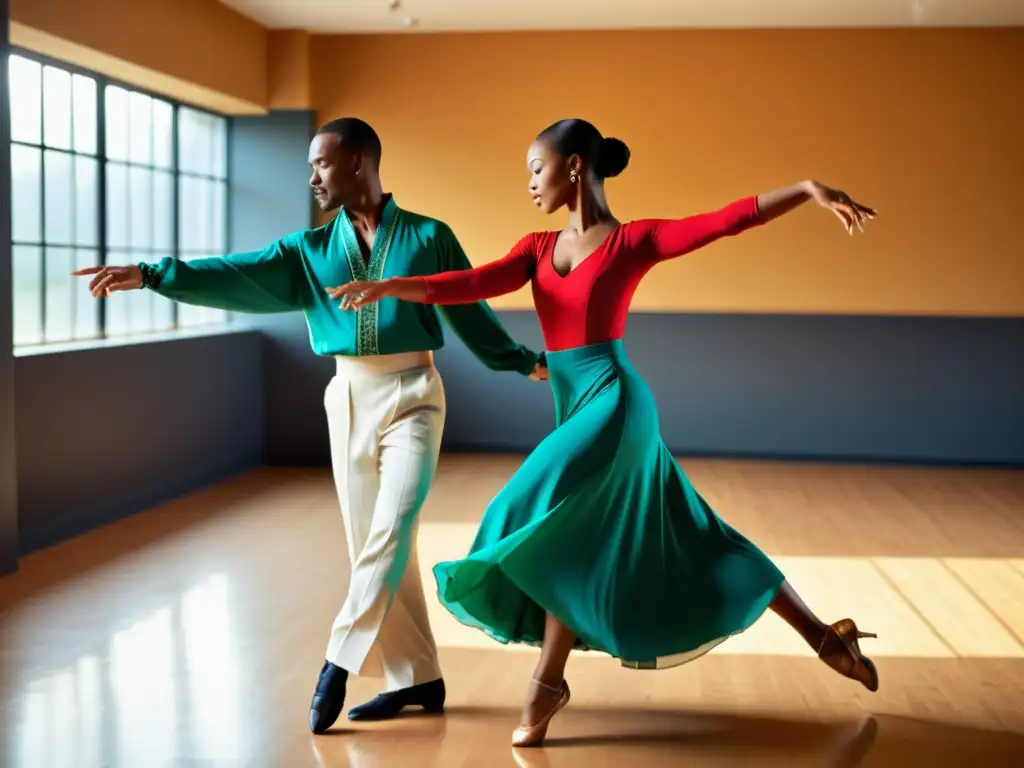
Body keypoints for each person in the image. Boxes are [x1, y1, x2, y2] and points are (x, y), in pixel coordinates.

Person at [328, 118, 880, 748]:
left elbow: (724, 219)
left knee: (533, 508)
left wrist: (807, 188)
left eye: (536, 168)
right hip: (574, 405)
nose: (530, 183)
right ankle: (823, 637)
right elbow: (474, 282)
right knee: (699, 534)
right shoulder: (535, 249)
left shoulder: (632, 242)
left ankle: (546, 681)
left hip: (615, 405)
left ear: (572, 167)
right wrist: (389, 286)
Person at [71, 117, 547, 735]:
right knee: (373, 545)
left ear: (357, 162)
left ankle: (336, 662)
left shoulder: (430, 236)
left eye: (322, 163)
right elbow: (236, 272)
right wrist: (154, 274)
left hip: (416, 394)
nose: (313, 176)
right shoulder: (308, 250)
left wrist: (524, 362)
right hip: (347, 395)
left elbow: (469, 310)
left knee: (393, 526)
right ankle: (419, 677)